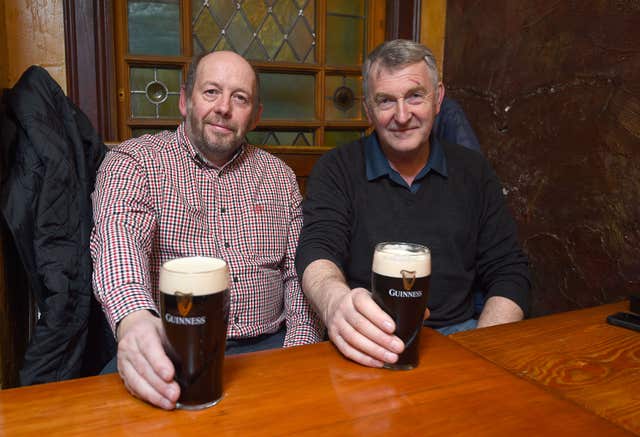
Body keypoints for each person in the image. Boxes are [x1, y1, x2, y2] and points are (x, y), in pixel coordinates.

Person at [90, 51, 324, 410]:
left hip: (268, 349)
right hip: (169, 350)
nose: (224, 108)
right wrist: (134, 321)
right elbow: (119, 241)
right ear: (185, 100)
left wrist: (298, 351)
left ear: (256, 116)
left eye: (240, 98)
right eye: (211, 92)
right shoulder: (135, 161)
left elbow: (297, 274)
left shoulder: (279, 177)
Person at [295, 39, 530, 368]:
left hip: (461, 338)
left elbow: (509, 270)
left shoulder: (474, 171)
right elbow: (317, 251)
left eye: (415, 96)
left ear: (438, 99)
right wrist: (335, 302)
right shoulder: (336, 168)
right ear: (368, 109)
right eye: (386, 101)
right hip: (367, 337)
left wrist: (481, 352)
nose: (402, 116)